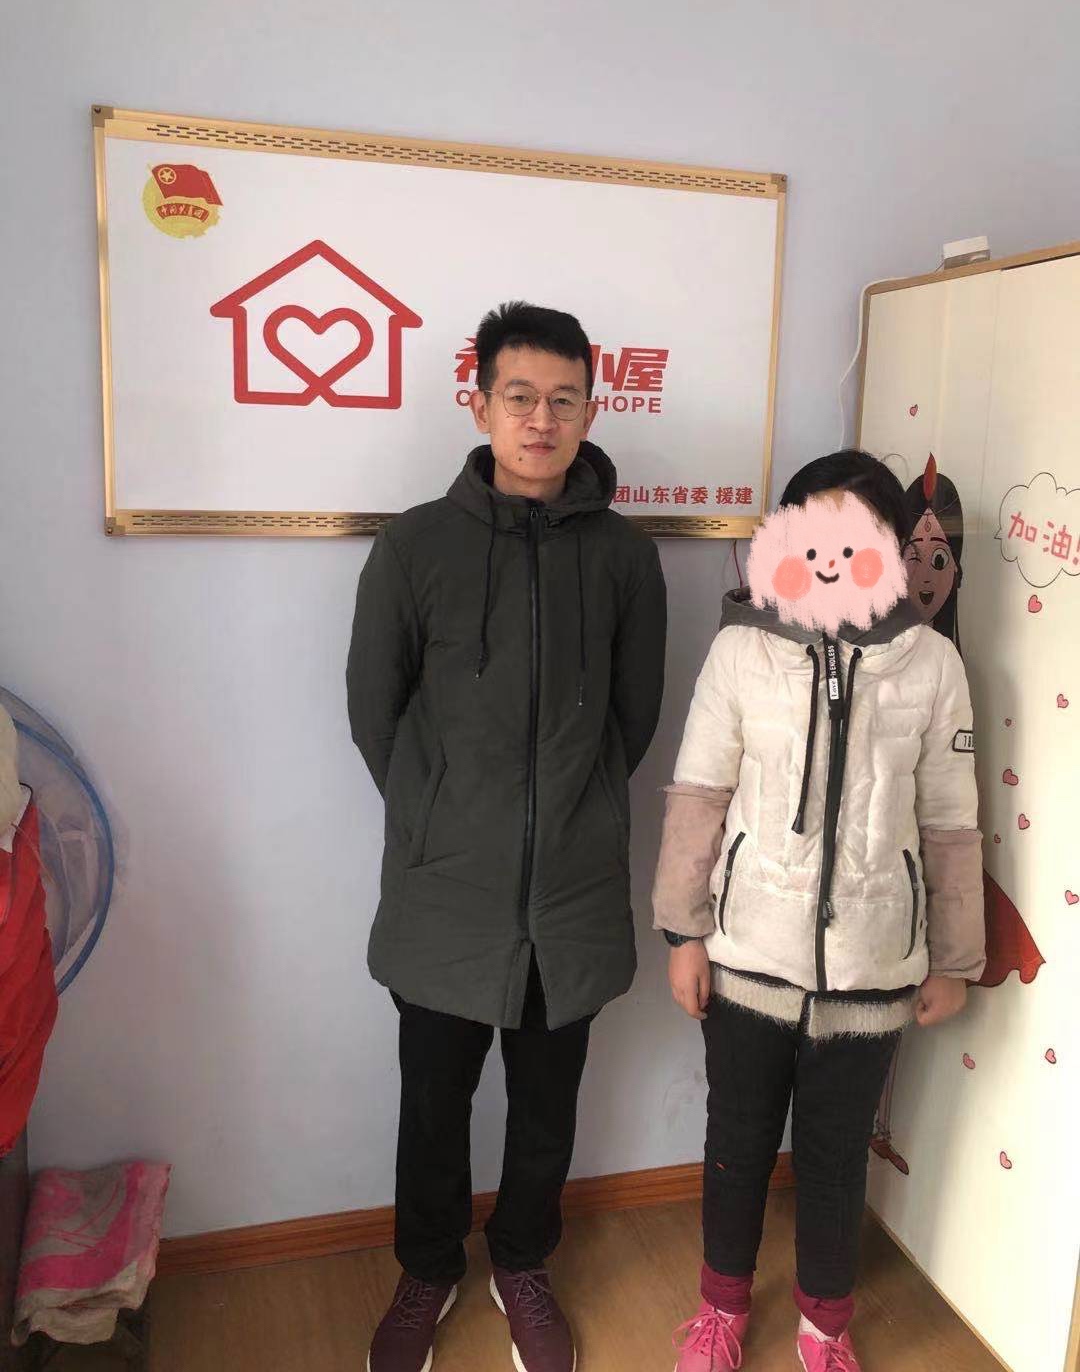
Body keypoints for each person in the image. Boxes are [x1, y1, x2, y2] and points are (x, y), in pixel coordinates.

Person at [348, 301, 667, 1372]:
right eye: (519, 396)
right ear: (479, 403)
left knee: (546, 1107)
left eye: (563, 400)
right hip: (446, 885)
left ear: (591, 413)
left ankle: (523, 1261)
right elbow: (375, 710)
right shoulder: (415, 546)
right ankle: (427, 1268)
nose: (541, 420)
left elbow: (632, 720)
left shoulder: (624, 558)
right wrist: (440, 812)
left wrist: (571, 810)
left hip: (569, 890)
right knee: (433, 1104)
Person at [652, 450, 985, 1372]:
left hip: (873, 966)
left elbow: (952, 822)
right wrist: (684, 933)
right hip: (748, 953)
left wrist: (955, 958)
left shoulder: (932, 663)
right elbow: (698, 794)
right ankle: (720, 1311)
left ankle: (826, 1327)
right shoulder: (741, 648)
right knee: (737, 1144)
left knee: (836, 1156)